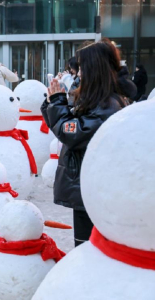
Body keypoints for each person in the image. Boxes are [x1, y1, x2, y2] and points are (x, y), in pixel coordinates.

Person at [41, 39, 127, 247]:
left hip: (92, 189)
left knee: (89, 247)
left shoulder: (107, 105)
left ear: (94, 69)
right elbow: (64, 126)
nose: (78, 74)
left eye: (81, 68)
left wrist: (58, 102)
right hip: (87, 187)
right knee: (86, 244)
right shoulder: (98, 100)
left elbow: (71, 132)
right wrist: (53, 102)